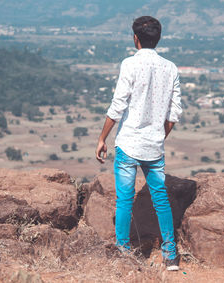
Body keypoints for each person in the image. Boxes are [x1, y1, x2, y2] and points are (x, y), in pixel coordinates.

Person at [95, 16, 182, 271]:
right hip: (154, 146)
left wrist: (102, 138)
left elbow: (117, 105)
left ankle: (124, 254)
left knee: (124, 200)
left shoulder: (129, 64)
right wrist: (158, 135)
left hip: (128, 144)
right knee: (160, 198)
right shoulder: (171, 68)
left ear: (136, 39)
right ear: (159, 38)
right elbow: (174, 113)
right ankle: (170, 255)